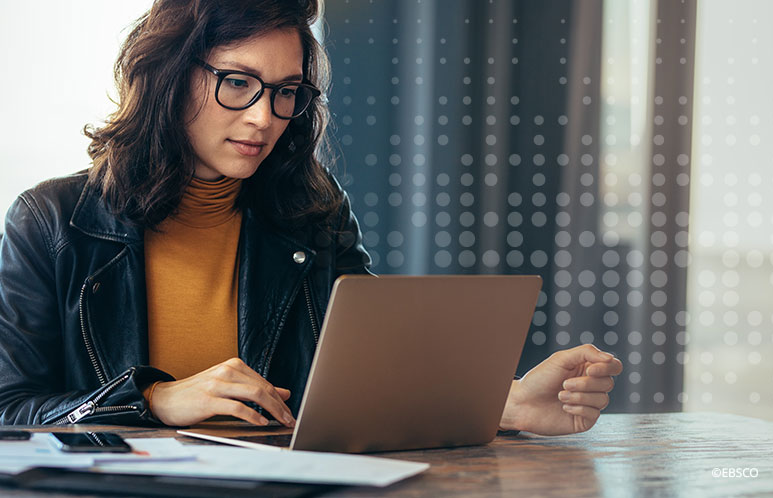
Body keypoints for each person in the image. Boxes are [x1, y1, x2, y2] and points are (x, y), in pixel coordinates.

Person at [0, 0, 622, 436]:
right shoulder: (52, 221)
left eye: (285, 90)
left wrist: (507, 404)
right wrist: (154, 400)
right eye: (238, 83)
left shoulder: (312, 213)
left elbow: (371, 379)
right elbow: (11, 409)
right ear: (169, 77)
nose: (264, 117)